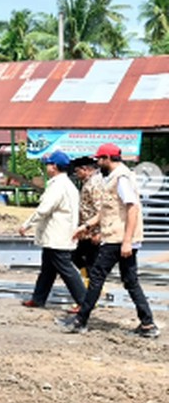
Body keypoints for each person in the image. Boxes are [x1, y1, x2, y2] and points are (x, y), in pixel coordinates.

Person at [59, 144, 160, 337]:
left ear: (107, 158)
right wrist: (86, 226)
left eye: (99, 159)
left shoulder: (121, 178)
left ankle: (81, 320)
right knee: (130, 280)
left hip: (118, 238)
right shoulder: (114, 177)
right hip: (120, 237)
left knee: (96, 276)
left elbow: (133, 209)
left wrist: (127, 241)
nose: (97, 163)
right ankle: (148, 324)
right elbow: (107, 210)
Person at [19, 151, 86, 309]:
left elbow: (44, 209)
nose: (47, 167)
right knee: (48, 270)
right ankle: (38, 299)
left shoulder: (58, 186)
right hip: (58, 234)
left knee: (66, 270)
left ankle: (84, 302)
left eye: (48, 164)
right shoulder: (68, 185)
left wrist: (27, 225)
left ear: (54, 167)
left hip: (58, 235)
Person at [71, 156, 104, 281]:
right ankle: (87, 285)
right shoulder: (89, 183)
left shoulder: (94, 184)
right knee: (76, 257)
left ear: (85, 169)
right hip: (86, 231)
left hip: (92, 231)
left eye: (77, 171)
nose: (76, 174)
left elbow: (100, 210)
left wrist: (98, 232)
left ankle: (92, 290)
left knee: (91, 263)